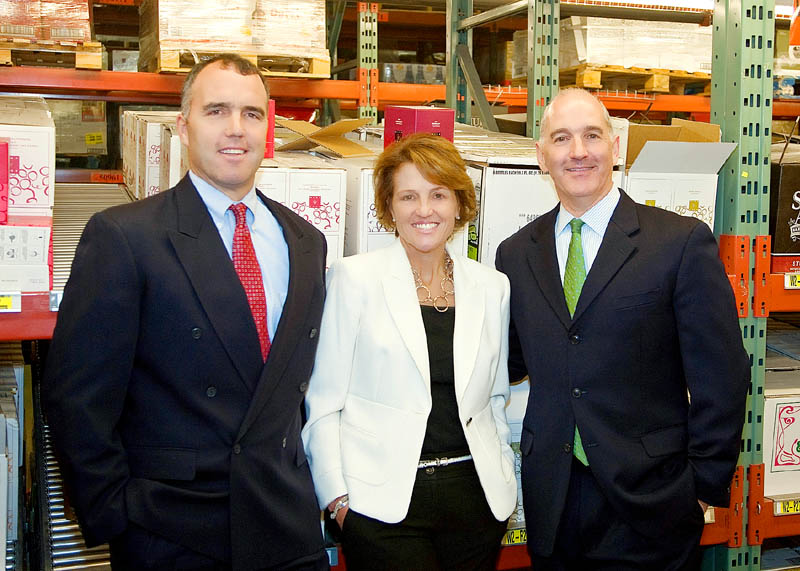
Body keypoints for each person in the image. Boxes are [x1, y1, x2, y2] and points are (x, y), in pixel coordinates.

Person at [42, 54, 329, 571]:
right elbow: (76, 397)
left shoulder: (306, 242)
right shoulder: (126, 238)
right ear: (183, 126)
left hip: (286, 528)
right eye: (217, 111)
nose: (236, 130)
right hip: (171, 533)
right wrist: (115, 514)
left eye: (252, 114)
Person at [495, 88, 751, 570]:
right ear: (541, 156)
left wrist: (701, 487)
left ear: (616, 147)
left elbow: (722, 375)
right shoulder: (514, 254)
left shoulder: (678, 243)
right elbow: (507, 361)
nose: (578, 152)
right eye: (562, 138)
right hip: (553, 501)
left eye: (592, 136)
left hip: (653, 503)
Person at [302, 133, 517, 570]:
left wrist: (504, 481)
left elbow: (495, 399)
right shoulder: (354, 279)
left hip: (475, 501)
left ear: (459, 204)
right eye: (409, 196)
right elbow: (324, 401)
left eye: (438, 195)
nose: (424, 210)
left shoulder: (492, 287)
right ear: (389, 206)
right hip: (381, 505)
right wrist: (338, 500)